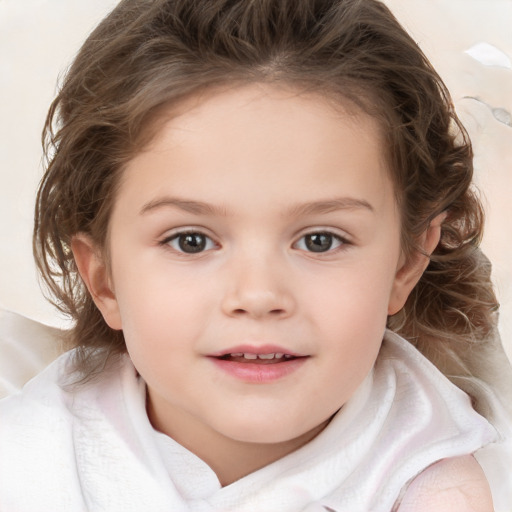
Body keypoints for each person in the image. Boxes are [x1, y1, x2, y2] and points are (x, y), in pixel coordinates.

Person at [0, 0, 510, 510]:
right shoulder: (35, 450)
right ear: (103, 277)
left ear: (406, 264)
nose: (259, 295)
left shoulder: (432, 478)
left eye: (320, 240)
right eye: (191, 240)